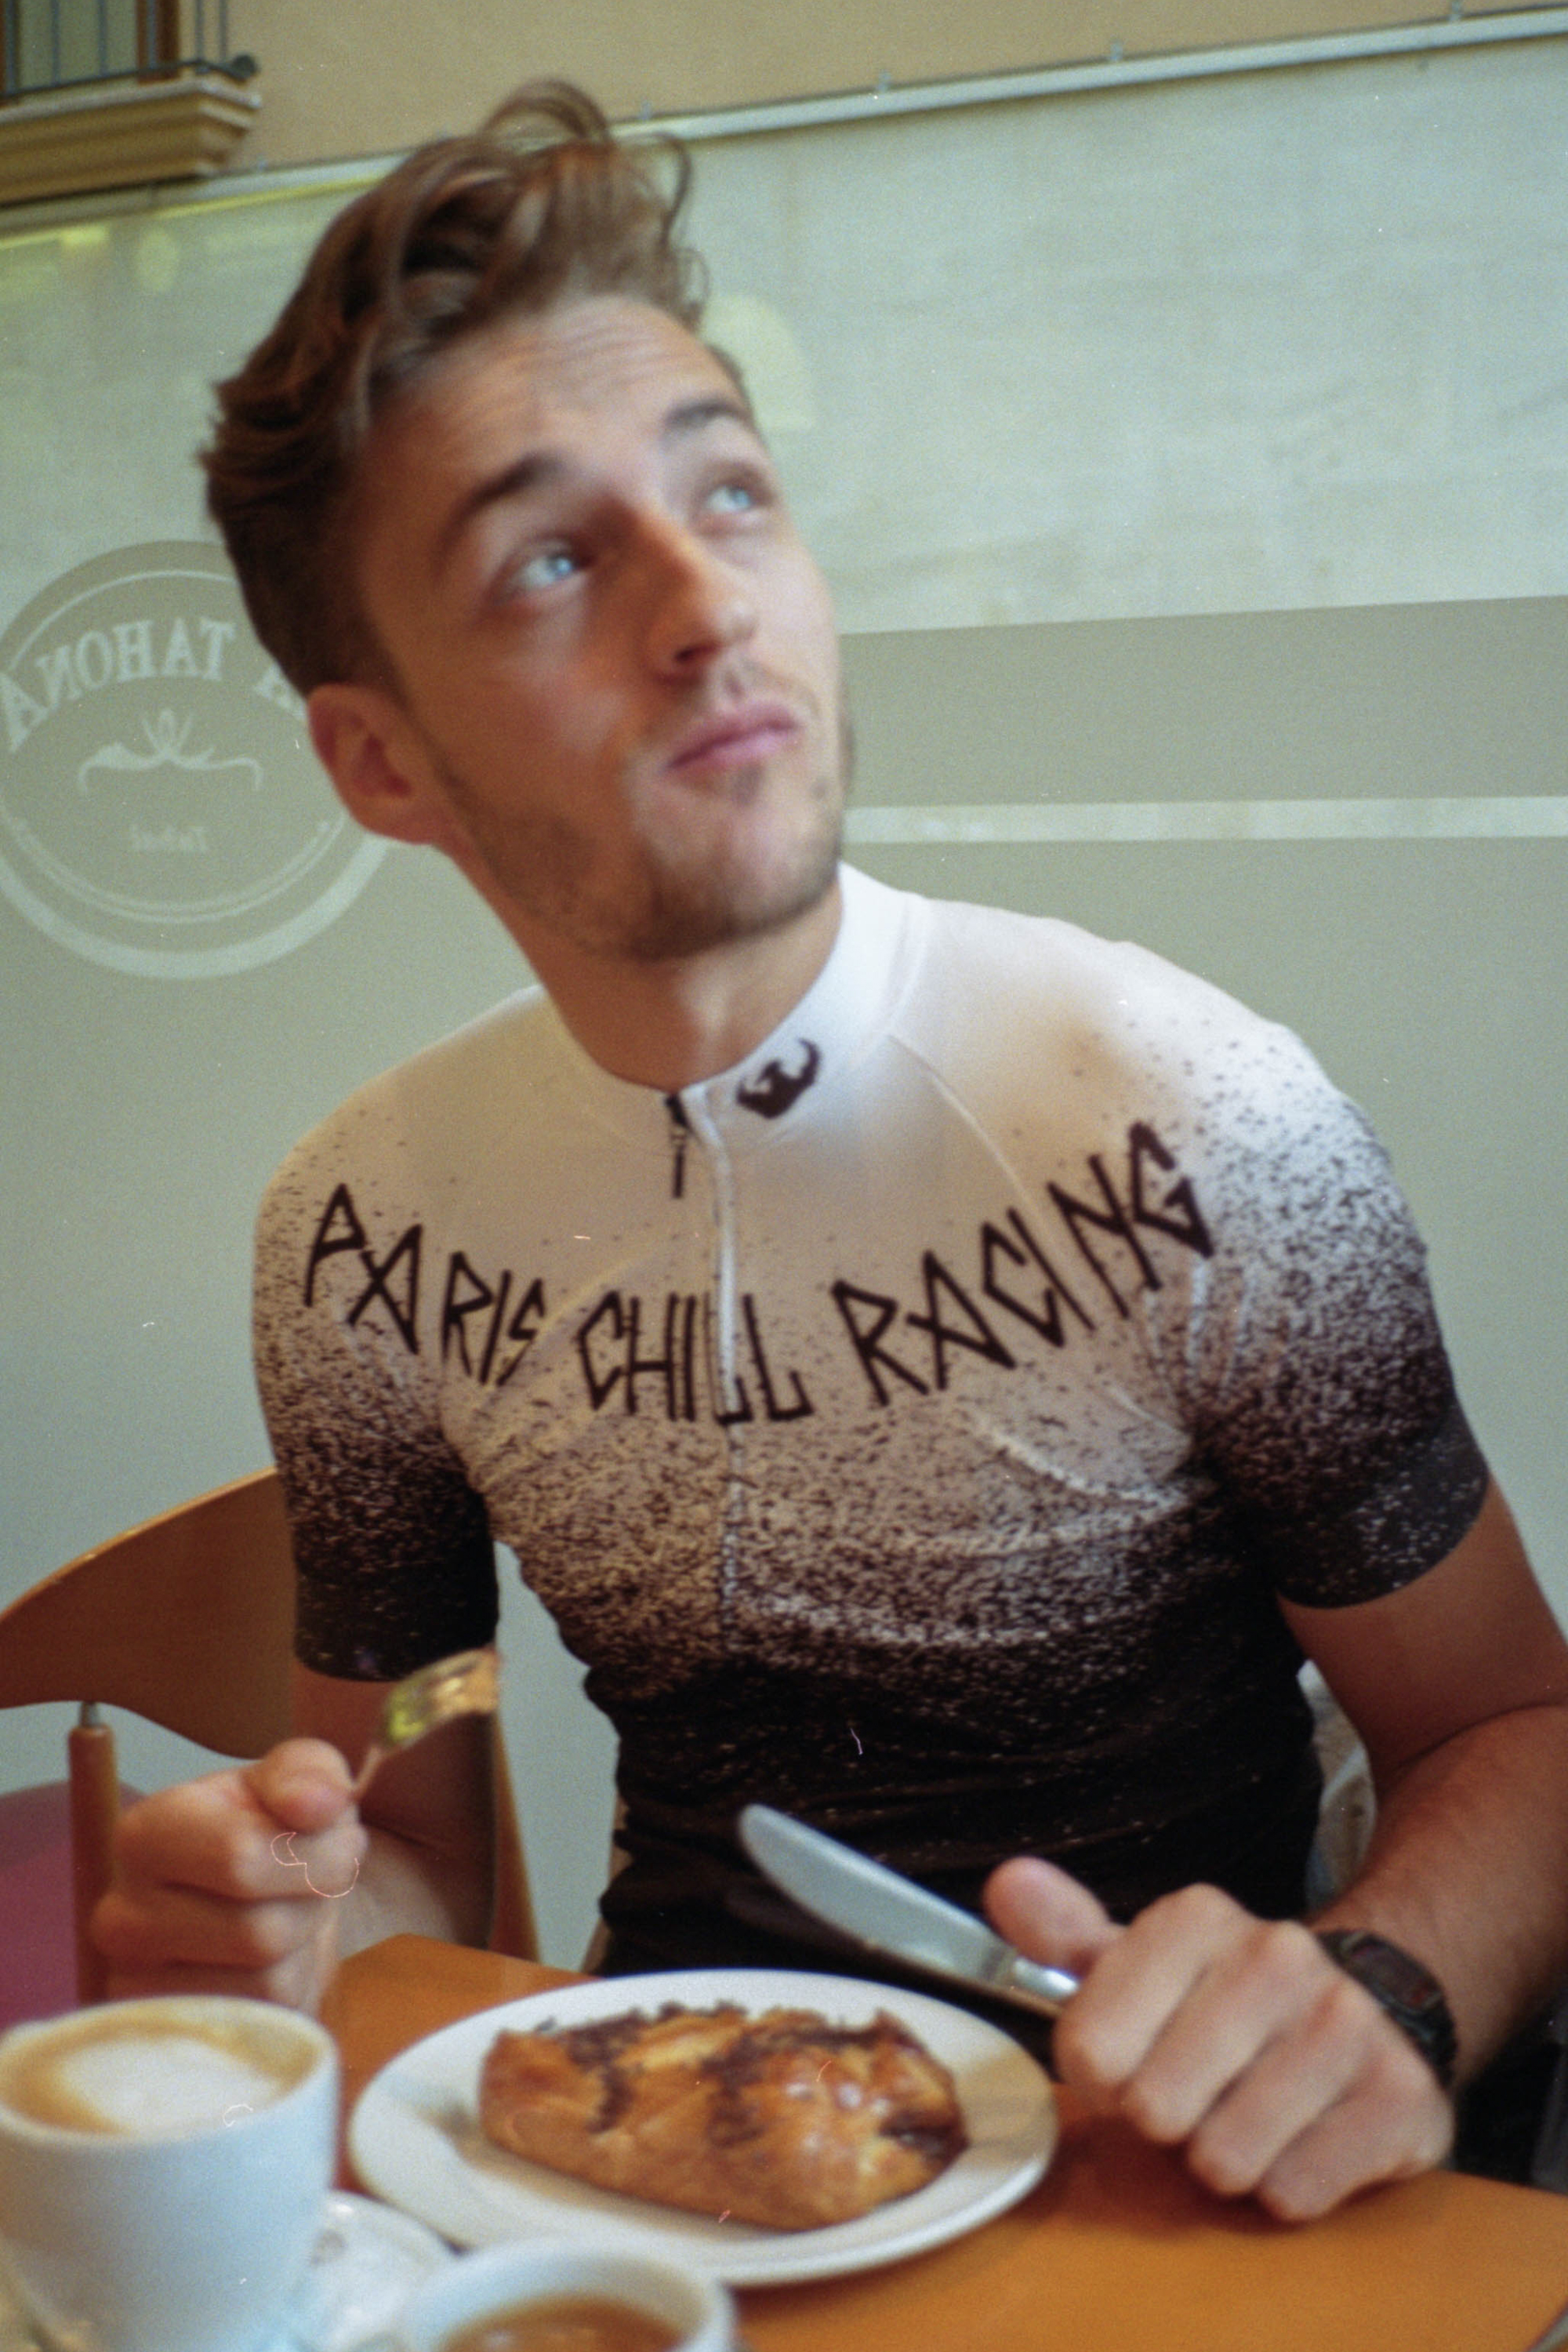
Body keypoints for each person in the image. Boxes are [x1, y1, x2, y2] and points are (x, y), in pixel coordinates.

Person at [96, 83, 1568, 2223]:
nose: (710, 602)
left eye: (734, 492)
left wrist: (1386, 1994)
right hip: (665, 2162)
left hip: (1169, 2183)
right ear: (380, 761)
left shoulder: (1194, 1120)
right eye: (552, 559)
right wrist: (308, 1911)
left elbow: (1515, 1735)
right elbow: (409, 1799)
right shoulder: (358, 1239)